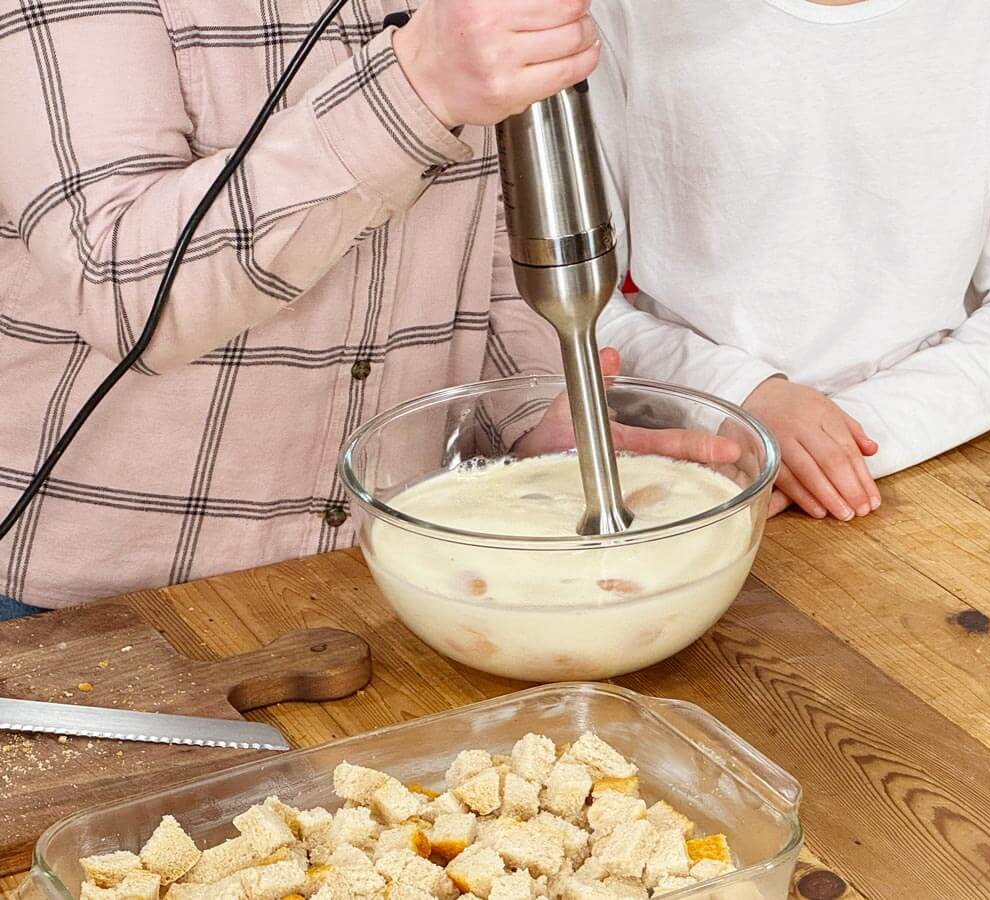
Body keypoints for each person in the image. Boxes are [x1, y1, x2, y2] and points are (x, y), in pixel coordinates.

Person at [0, 0, 609, 615]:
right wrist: (415, 86)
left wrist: (526, 425)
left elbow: (489, 239)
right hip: (87, 614)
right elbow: (122, 292)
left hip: (383, 582)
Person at [589, 0, 990, 522]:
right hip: (686, 470)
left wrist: (837, 441)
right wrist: (737, 398)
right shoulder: (624, 9)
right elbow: (578, 306)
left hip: (939, 458)